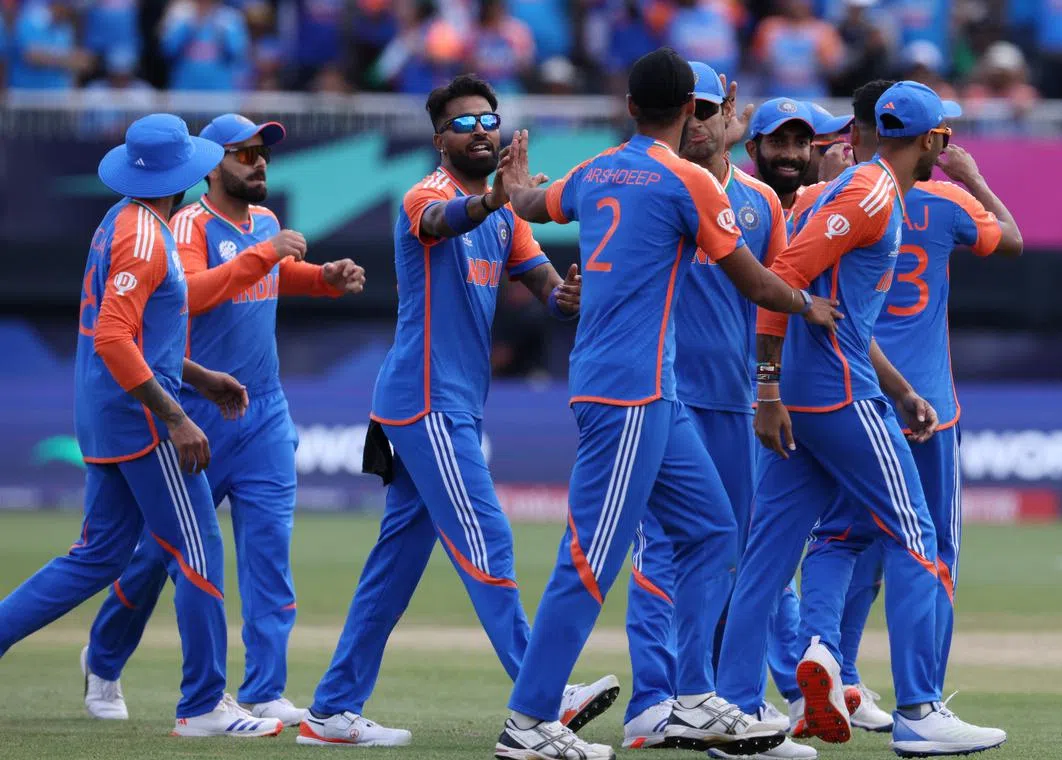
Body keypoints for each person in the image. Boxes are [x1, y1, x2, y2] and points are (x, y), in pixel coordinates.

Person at [493, 47, 841, 760]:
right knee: (590, 558)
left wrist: (515, 184)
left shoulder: (596, 169)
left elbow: (533, 205)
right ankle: (528, 720)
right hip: (628, 390)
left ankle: (693, 699)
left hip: (653, 389)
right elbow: (756, 283)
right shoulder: (691, 181)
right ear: (688, 110)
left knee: (713, 532)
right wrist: (808, 304)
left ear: (628, 107)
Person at [297, 74, 615, 748]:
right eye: (463, 123)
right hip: (425, 401)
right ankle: (542, 694)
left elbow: (547, 290)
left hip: (454, 404)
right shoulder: (426, 195)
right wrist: (496, 197)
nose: (480, 131)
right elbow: (442, 222)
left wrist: (570, 297)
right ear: (441, 140)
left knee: (394, 568)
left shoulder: (505, 217)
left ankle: (330, 711)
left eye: (488, 120)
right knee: (486, 536)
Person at [714, 81, 1008, 758]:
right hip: (840, 397)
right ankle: (919, 712)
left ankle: (736, 716)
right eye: (944, 136)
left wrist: (891, 390)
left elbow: (816, 294)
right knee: (917, 537)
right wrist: (767, 388)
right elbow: (784, 273)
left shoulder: (860, 190)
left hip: (813, 396)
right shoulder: (871, 195)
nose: (946, 145)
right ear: (930, 140)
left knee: (767, 559)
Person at [0, 113, 283, 738]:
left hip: (107, 414)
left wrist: (197, 377)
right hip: (140, 422)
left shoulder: (120, 220)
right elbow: (113, 337)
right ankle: (203, 707)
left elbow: (138, 332)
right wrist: (176, 416)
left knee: (96, 556)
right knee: (199, 550)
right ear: (183, 173)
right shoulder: (147, 237)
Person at [80, 113, 365, 727]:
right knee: (161, 557)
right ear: (211, 165)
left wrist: (322, 279)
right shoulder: (186, 225)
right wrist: (265, 256)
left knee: (269, 554)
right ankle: (102, 658)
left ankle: (264, 689)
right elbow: (194, 293)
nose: (259, 162)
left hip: (264, 409)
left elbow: (272, 276)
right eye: (244, 153)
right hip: (196, 411)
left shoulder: (263, 221)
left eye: (262, 152)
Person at [795, 78, 1023, 737]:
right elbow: (1011, 240)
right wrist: (973, 176)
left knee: (841, 537)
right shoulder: (944, 201)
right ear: (927, 141)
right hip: (925, 403)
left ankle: (829, 662)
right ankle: (923, 704)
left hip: (848, 391)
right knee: (930, 548)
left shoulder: (831, 196)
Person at [619, 60, 815, 760]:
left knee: (737, 557)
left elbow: (775, 303)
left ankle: (733, 706)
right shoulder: (651, 187)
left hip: (736, 405)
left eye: (706, 108)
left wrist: (770, 391)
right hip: (664, 397)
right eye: (687, 109)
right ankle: (652, 703)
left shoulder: (761, 202)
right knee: (661, 551)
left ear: (729, 107)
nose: (695, 122)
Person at [744, 97, 848, 229]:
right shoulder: (733, 201)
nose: (790, 155)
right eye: (777, 142)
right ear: (752, 150)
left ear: (810, 150)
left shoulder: (818, 201)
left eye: (801, 143)